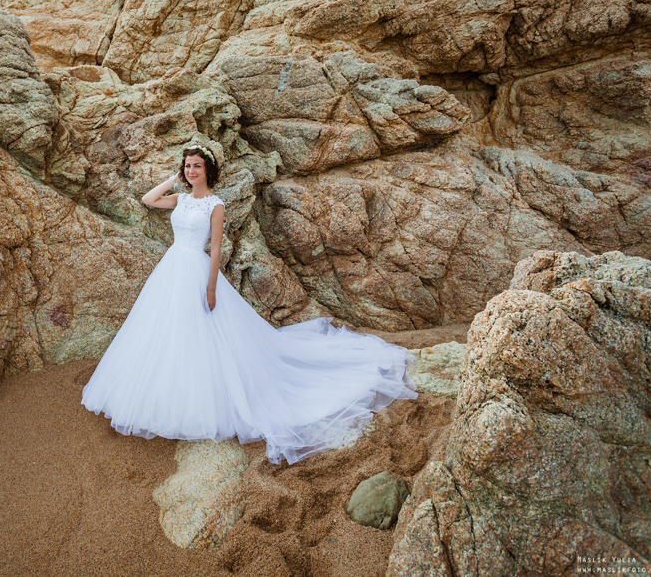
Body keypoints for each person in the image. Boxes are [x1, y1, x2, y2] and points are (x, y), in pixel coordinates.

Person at [81, 145, 417, 464]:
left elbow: (214, 248)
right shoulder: (180, 199)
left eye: (197, 165)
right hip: (171, 268)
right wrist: (174, 178)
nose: (192, 170)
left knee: (204, 333)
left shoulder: (215, 204)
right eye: (188, 166)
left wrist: (212, 286)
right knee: (166, 331)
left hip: (197, 271)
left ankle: (204, 402)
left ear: (208, 170)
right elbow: (147, 199)